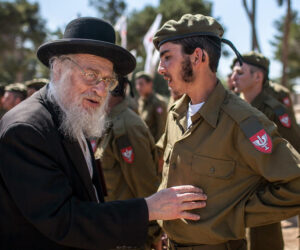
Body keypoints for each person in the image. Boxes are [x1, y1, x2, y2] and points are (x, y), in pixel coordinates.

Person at [0, 17, 208, 250]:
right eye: (90, 74)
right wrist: (148, 209)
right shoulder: (26, 131)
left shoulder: (70, 114)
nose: (100, 90)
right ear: (58, 69)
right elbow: (63, 220)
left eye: (108, 80)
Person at [153, 13, 300, 250]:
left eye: (167, 57)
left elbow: (295, 183)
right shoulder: (175, 114)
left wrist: (233, 216)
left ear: (198, 56)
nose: (160, 68)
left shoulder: (242, 121)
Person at [231, 51, 300, 250]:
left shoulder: (273, 110)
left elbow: (293, 145)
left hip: (263, 187)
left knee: (264, 239)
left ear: (258, 77)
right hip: (236, 187)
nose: (233, 77)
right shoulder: (232, 105)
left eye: (240, 73)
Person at [94, 75, 162, 249]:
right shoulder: (109, 121)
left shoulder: (125, 127)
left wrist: (154, 233)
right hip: (114, 229)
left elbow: (145, 186)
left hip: (130, 237)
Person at [135, 71, 167, 142]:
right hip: (143, 144)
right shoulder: (141, 101)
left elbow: (162, 129)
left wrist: (157, 150)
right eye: (137, 84)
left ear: (150, 84)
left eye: (141, 84)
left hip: (153, 146)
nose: (138, 87)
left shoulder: (158, 102)